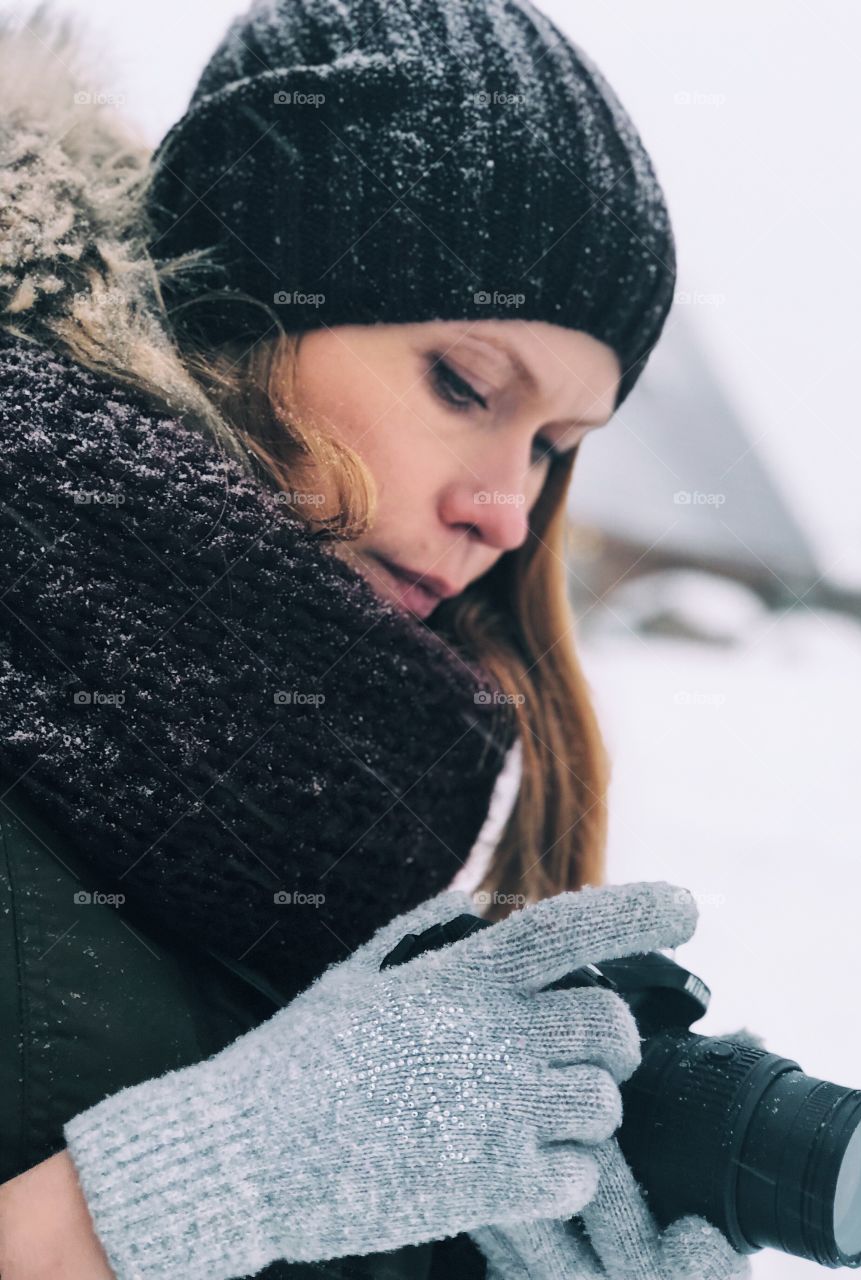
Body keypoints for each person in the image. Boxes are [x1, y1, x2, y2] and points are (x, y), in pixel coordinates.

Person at [0, 2, 758, 1277]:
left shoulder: (355, 802)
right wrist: (179, 1184)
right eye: (465, 384)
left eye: (552, 450)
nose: (508, 511)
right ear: (239, 302)